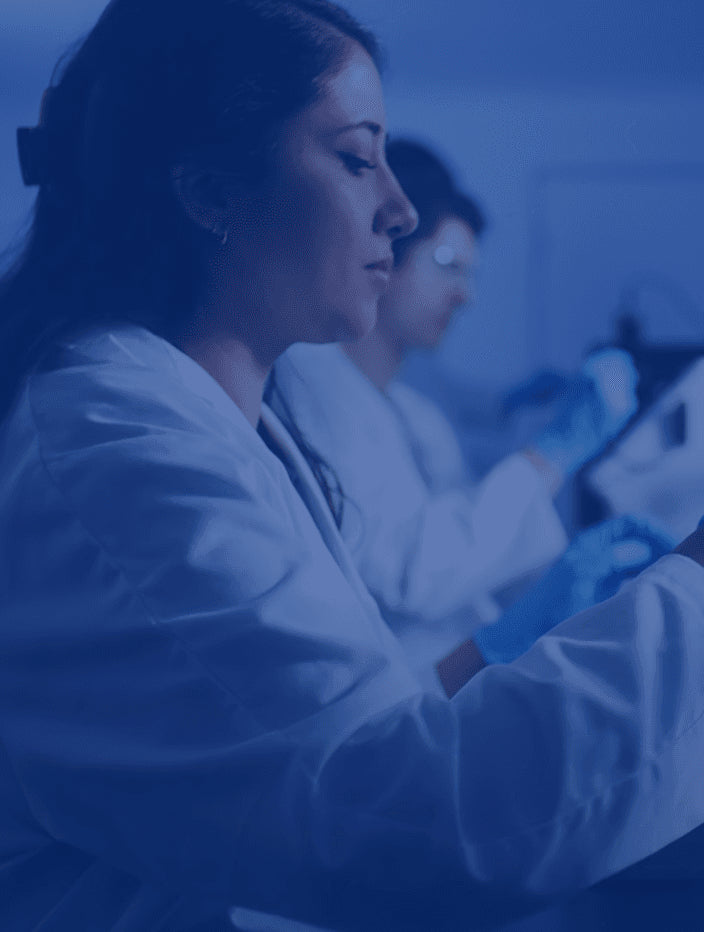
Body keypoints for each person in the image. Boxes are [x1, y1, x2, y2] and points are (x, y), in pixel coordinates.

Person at [0, 1, 704, 930]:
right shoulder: (118, 454)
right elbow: (421, 824)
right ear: (211, 190)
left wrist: (543, 626)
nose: (397, 206)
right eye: (355, 159)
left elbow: (356, 716)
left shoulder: (205, 417)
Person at [271, 139, 660, 678]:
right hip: (398, 694)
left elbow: (475, 563)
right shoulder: (310, 383)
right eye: (448, 265)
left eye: (471, 274)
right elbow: (412, 573)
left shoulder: (416, 415)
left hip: (458, 672)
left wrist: (580, 580)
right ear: (383, 255)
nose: (466, 295)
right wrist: (554, 451)